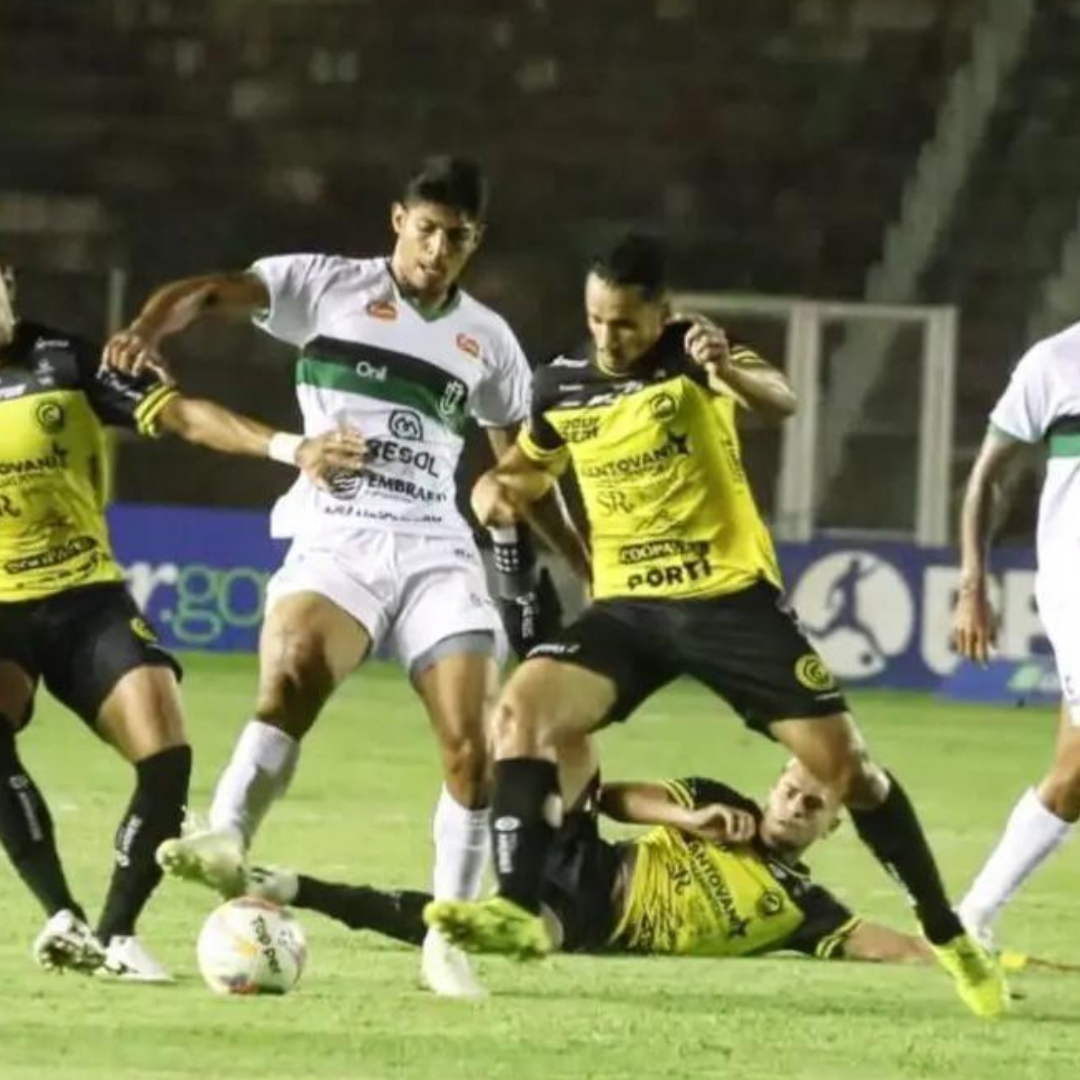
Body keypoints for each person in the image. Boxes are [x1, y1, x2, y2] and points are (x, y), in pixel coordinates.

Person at [424, 233, 1007, 1017]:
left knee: (848, 773)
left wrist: (726, 364)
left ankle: (949, 934)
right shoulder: (560, 386)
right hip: (630, 607)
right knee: (518, 712)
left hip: (728, 600)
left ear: (660, 313)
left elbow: (781, 401)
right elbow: (529, 469)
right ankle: (518, 909)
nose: (609, 336)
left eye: (626, 323)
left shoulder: (696, 356)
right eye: (597, 319)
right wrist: (498, 490)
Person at [102, 156, 579, 999]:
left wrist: (586, 562)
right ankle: (227, 834)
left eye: (456, 237)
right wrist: (148, 328)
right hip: (339, 536)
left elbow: (523, 469)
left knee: (472, 749)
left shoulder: (490, 342)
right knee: (291, 674)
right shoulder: (324, 286)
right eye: (426, 229)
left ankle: (447, 937)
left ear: (476, 242)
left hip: (435, 547)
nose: (437, 249)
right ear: (398, 220)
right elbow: (208, 291)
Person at [0, 261, 362, 982]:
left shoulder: (65, 362)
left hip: (85, 598)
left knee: (166, 758)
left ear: (9, 283)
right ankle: (61, 916)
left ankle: (116, 936)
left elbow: (183, 415)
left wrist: (293, 449)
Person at [241, 751, 1061, 979]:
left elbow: (893, 945)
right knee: (563, 745)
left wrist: (977, 956)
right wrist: (689, 817)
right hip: (585, 855)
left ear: (833, 827)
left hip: (598, 921)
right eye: (790, 788)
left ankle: (292, 888)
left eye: (812, 806)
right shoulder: (717, 803)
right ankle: (508, 551)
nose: (792, 804)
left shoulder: (801, 909)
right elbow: (612, 799)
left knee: (493, 933)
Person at [953, 319, 1080, 945]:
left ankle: (973, 914)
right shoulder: (1057, 362)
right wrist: (974, 586)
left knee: (1074, 775)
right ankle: (973, 912)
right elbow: (988, 478)